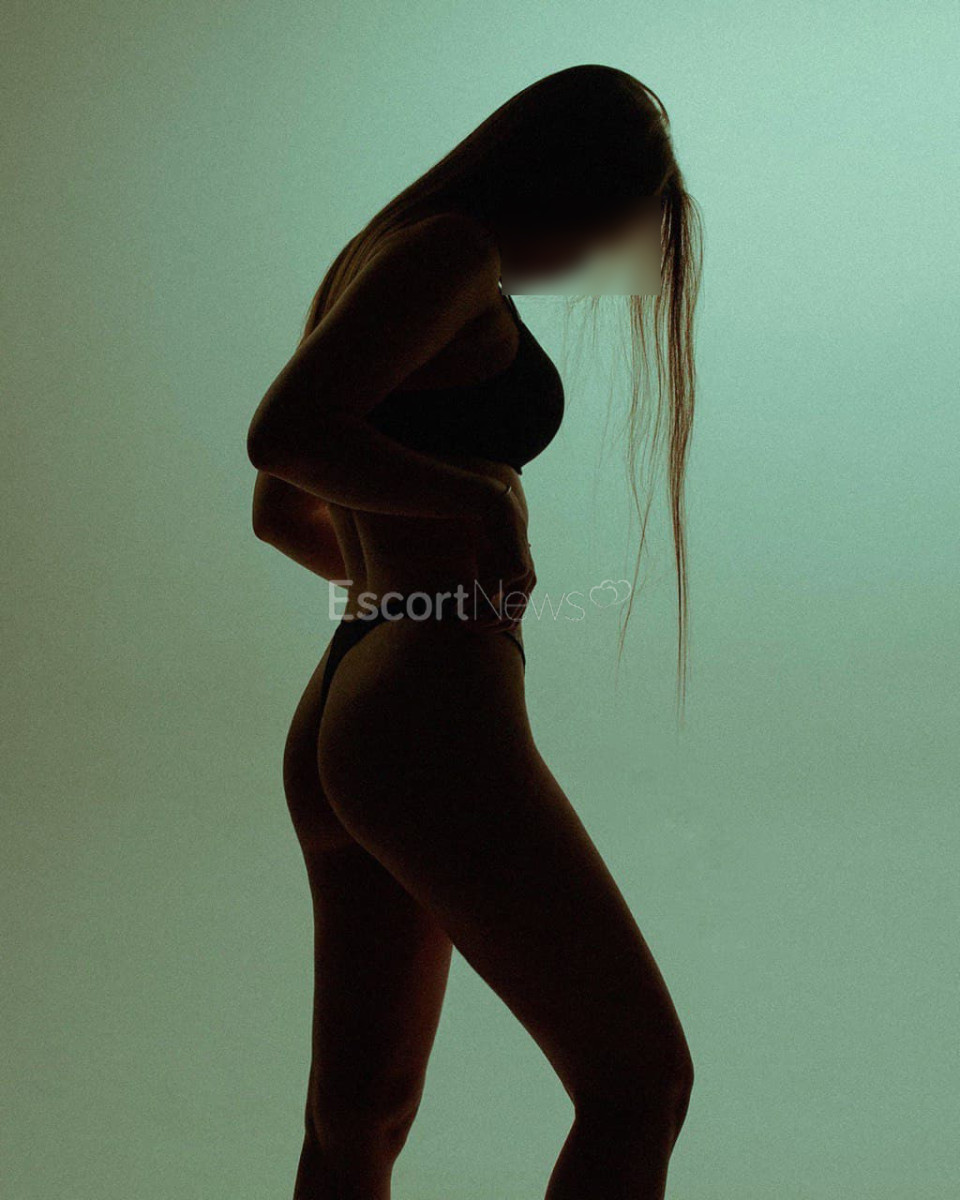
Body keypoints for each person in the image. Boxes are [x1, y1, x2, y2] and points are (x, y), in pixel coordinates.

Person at [247, 64, 702, 1200]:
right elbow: (285, 438)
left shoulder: (381, 255)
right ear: (565, 187)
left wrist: (413, 587)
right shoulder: (450, 256)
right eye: (605, 227)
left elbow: (280, 514)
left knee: (358, 1113)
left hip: (353, 695)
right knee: (640, 1084)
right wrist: (479, 508)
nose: (592, 260)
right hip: (426, 710)